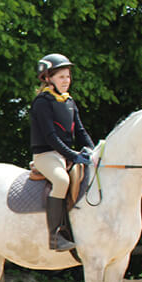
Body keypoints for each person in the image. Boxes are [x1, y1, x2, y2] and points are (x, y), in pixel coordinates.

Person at [29, 53, 95, 251]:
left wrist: (93, 151)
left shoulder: (69, 101)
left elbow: (81, 132)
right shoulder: (42, 102)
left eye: (67, 76)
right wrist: (73, 155)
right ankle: (56, 236)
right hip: (46, 155)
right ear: (48, 78)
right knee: (61, 181)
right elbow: (50, 137)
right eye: (61, 77)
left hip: (65, 154)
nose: (66, 81)